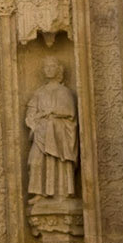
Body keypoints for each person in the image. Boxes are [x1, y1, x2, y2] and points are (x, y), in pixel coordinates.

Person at [25, 56, 79, 201]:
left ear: (58, 69)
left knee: (59, 161)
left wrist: (52, 114)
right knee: (35, 161)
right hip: (41, 132)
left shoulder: (64, 91)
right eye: (46, 67)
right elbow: (30, 112)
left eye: (52, 66)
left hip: (59, 134)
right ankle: (39, 193)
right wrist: (34, 123)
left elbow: (70, 113)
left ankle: (62, 193)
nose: (49, 69)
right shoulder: (39, 92)